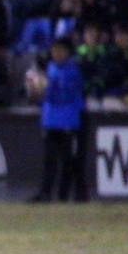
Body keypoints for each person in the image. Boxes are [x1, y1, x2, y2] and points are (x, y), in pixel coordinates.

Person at [29, 36, 87, 202]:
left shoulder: (74, 70)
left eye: (60, 50)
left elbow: (64, 93)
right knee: (50, 159)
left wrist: (45, 89)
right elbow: (47, 94)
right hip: (50, 119)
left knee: (67, 160)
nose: (56, 54)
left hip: (68, 120)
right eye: (54, 50)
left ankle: (64, 194)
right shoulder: (50, 68)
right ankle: (46, 192)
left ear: (68, 52)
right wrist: (38, 92)